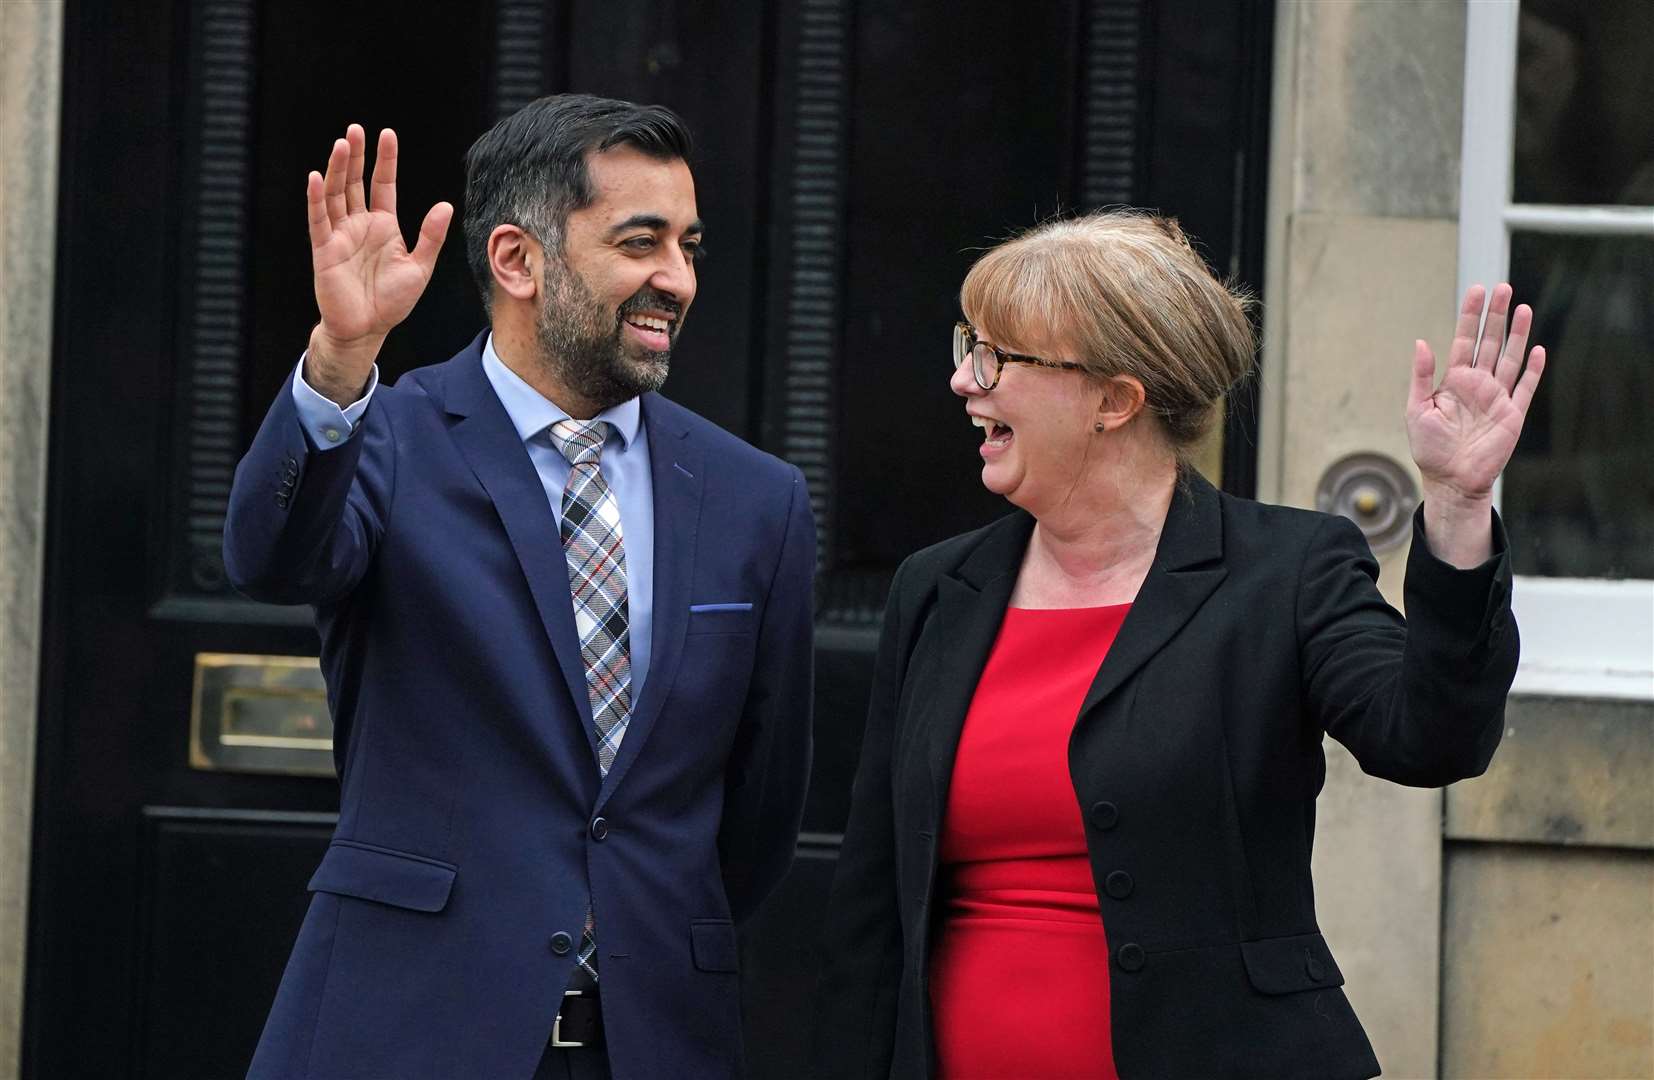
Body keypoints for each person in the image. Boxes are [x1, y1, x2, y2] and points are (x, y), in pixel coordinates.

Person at [812, 210, 1545, 1080]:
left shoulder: (1288, 571)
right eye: (970, 346)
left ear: (1115, 402)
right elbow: (872, 898)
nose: (963, 382)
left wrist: (1459, 508)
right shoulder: (937, 588)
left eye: (996, 357)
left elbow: (1433, 740)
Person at [225, 94, 814, 1080]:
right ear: (517, 261)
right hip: (403, 1035)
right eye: (640, 242)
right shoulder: (389, 438)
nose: (676, 278)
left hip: (651, 1041)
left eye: (687, 245)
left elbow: (757, 810)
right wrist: (340, 358)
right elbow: (271, 558)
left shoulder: (757, 499)